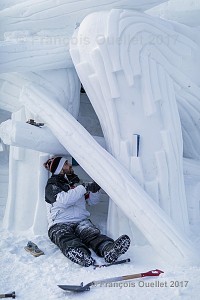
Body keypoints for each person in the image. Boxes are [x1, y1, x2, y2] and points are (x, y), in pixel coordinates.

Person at [43, 156, 130, 267]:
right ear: (59, 169)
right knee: (65, 237)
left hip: (80, 221)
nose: (69, 164)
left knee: (92, 234)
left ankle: (109, 249)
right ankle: (80, 254)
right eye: (65, 163)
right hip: (59, 223)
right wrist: (84, 187)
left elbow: (92, 202)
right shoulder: (52, 185)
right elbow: (64, 201)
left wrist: (95, 189)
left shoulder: (75, 184)